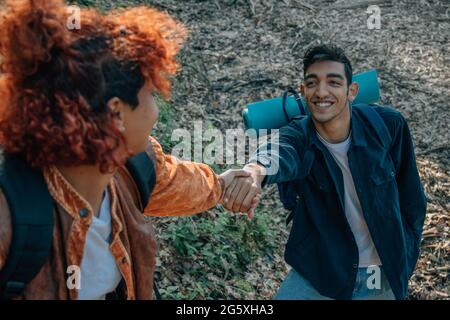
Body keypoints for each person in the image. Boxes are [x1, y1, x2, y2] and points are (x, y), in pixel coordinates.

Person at [0, 0, 257, 300]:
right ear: (117, 114)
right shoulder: (10, 220)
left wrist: (225, 185)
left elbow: (183, 183)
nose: (155, 112)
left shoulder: (133, 169)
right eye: (150, 94)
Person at [222, 44, 427, 300]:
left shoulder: (387, 125)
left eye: (333, 82)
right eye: (312, 82)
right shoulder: (299, 135)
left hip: (383, 275)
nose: (321, 92)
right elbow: (277, 153)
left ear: (351, 91)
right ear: (303, 91)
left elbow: (412, 199)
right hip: (322, 273)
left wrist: (406, 253)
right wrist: (254, 171)